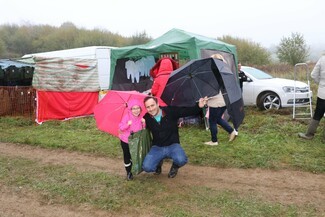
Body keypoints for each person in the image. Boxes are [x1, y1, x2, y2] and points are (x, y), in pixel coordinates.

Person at [142, 95, 206, 178]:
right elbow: (137, 126)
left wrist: (198, 106)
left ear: (157, 104)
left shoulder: (170, 111)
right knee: (147, 167)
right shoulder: (146, 118)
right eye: (148, 107)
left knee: (181, 160)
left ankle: (175, 166)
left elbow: (186, 111)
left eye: (152, 105)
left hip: (173, 145)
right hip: (157, 147)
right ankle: (158, 163)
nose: (151, 109)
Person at [204, 54, 237, 146]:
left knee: (212, 121)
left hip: (216, 100)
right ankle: (231, 131)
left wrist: (206, 98)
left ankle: (214, 141)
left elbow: (212, 90)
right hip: (225, 99)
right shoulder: (225, 71)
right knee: (217, 118)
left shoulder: (213, 73)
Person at [298, 55, 325, 141]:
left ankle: (309, 135)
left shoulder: (322, 59)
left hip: (323, 92)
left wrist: (321, 83)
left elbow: (313, 75)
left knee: (318, 113)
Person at [118, 99, 145, 180]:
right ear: (130, 109)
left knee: (134, 155)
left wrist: (144, 123)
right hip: (125, 140)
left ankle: (134, 167)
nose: (136, 110)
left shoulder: (141, 118)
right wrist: (127, 124)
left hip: (135, 141)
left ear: (140, 109)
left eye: (138, 108)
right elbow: (121, 128)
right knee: (127, 156)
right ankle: (128, 172)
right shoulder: (126, 117)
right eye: (134, 108)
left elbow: (143, 130)